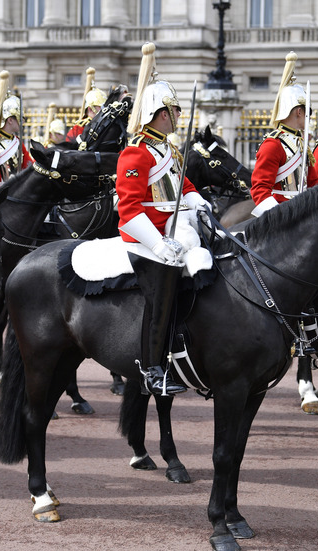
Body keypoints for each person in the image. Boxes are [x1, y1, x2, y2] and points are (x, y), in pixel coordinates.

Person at [117, 43, 211, 395]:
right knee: (163, 295)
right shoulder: (135, 153)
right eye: (173, 110)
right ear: (157, 113)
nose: (177, 116)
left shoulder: (167, 149)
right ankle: (151, 368)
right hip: (146, 239)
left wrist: (199, 204)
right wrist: (158, 244)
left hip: (175, 230)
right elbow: (128, 210)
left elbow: (182, 184)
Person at [250, 52, 318, 216]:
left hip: (304, 210)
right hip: (282, 214)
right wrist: (279, 216)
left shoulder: (300, 142)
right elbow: (260, 189)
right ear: (298, 111)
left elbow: (314, 181)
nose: (310, 118)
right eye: (307, 112)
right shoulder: (273, 145)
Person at [0, 71, 34, 191]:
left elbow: (29, 167)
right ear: (10, 120)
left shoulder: (17, 142)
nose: (23, 123)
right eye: (20, 119)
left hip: (18, 192)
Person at [67, 67, 107, 144]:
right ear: (90, 109)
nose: (104, 110)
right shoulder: (79, 128)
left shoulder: (106, 125)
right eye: (100, 107)